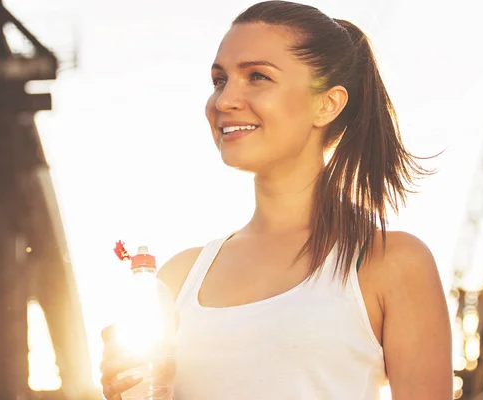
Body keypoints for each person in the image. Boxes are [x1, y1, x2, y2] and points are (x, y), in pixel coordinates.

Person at [101, 1, 453, 399]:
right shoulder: (177, 278)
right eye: (219, 80)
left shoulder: (388, 261)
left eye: (257, 76)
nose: (224, 101)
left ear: (328, 104)